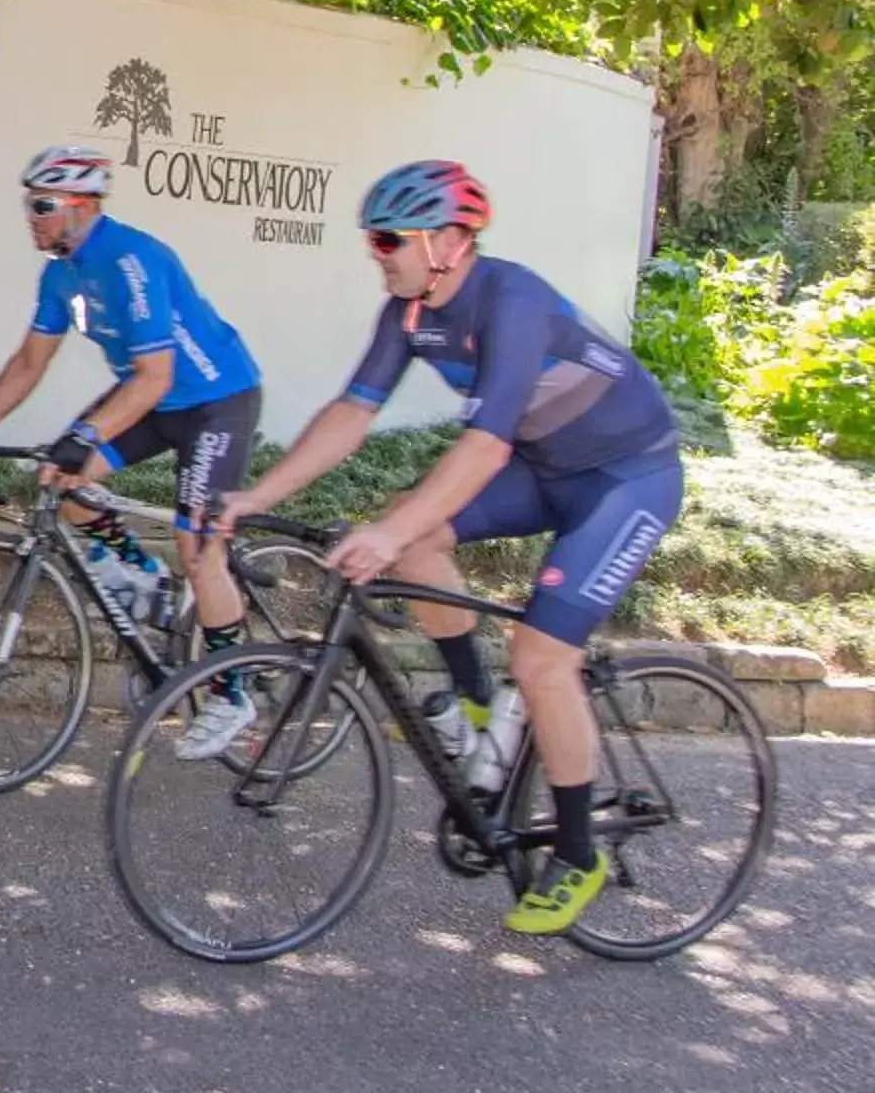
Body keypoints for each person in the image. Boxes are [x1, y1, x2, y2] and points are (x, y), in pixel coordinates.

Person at [215, 159, 684, 935]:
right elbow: (351, 412)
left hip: (625, 478)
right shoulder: (407, 313)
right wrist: (260, 495)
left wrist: (388, 531)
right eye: (372, 239)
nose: (377, 253)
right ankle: (475, 711)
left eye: (389, 238)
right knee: (414, 536)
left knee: (540, 658)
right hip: (547, 467)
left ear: (448, 240)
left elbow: (485, 446)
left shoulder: (512, 300)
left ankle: (576, 852)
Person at [0, 146, 266, 761]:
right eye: (28, 204)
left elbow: (156, 376)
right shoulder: (60, 274)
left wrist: (86, 435)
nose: (30, 217)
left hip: (214, 400)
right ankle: (147, 582)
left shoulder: (132, 260)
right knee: (62, 480)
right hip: (151, 396)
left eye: (42, 205)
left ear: (82, 206)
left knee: (200, 548)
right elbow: (30, 361)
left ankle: (230, 691)